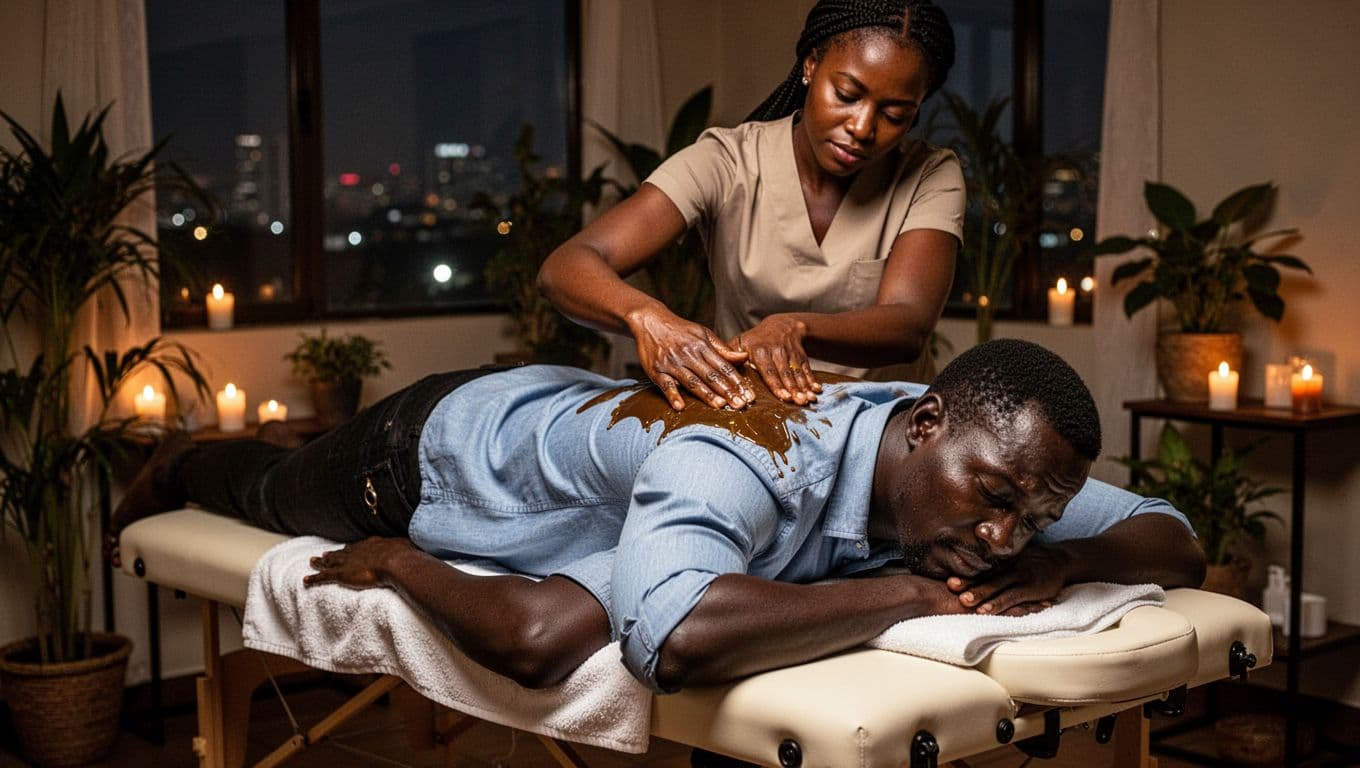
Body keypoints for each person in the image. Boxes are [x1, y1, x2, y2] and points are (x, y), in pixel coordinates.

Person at [107, 340, 1205, 693]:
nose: (1009, 535)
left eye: (1038, 513)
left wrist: (1064, 563)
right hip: (436, 456)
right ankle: (174, 461)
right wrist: (913, 594)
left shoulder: (999, 470)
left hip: (597, 465)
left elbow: (1172, 531)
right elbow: (669, 639)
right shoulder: (742, 458)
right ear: (924, 427)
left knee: (559, 610)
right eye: (999, 500)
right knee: (260, 485)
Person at [538, 0, 963, 413]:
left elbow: (908, 323)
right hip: (753, 419)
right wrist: (648, 318)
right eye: (847, 94)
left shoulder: (930, 174)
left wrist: (795, 328)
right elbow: (567, 266)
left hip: (884, 427)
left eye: (894, 114)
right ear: (811, 66)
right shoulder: (727, 161)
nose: (862, 126)